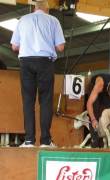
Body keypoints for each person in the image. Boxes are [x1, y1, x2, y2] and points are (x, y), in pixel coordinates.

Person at [10, 0, 65, 148]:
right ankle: (45, 141)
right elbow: (60, 47)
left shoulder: (22, 20)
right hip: (45, 62)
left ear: (34, 8)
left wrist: (28, 44)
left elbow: (14, 46)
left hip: (26, 62)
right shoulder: (53, 21)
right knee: (45, 101)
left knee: (28, 101)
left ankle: (29, 140)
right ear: (47, 9)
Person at [86, 73, 110, 148]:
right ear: (108, 86)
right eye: (109, 94)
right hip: (95, 87)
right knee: (95, 109)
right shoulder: (100, 84)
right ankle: (95, 141)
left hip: (109, 90)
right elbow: (89, 104)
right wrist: (93, 119)